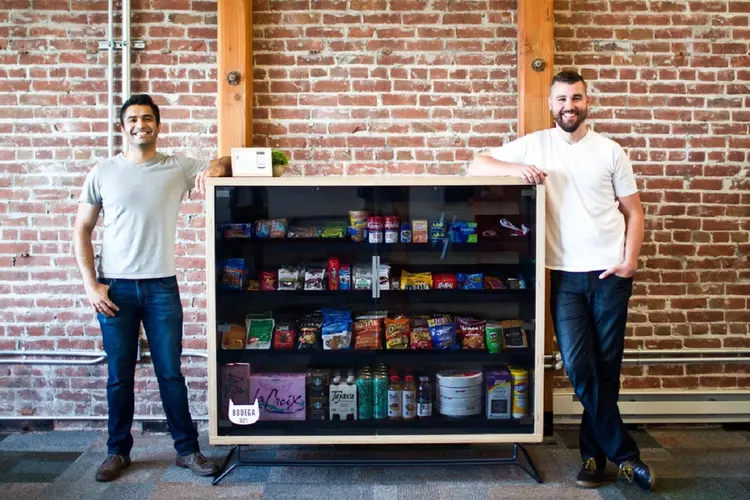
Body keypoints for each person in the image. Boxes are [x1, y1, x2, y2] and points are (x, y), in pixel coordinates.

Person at [469, 71, 654, 491]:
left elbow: (634, 211)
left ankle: (593, 457)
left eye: (576, 97)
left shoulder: (610, 151)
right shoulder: (537, 144)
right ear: (551, 105)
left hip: (610, 273)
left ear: (587, 102)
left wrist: (629, 262)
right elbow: (476, 161)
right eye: (561, 99)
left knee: (606, 369)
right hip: (565, 276)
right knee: (577, 364)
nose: (569, 105)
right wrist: (519, 169)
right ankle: (626, 455)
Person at [73, 94, 231, 482]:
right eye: (132, 119)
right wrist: (91, 285)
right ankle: (117, 452)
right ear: (121, 126)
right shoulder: (103, 171)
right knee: (118, 375)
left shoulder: (176, 166)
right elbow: (81, 228)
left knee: (170, 373)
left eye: (147, 118)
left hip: (162, 286)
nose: (140, 124)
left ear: (158, 125)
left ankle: (187, 451)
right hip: (115, 290)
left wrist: (213, 168)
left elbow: (225, 162)